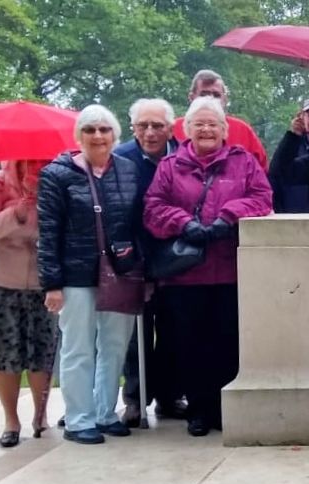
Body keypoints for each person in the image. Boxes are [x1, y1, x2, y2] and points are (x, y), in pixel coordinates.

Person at [145, 97, 272, 436]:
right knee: (190, 344)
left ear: (223, 130)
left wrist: (228, 217)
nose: (205, 129)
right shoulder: (171, 166)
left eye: (212, 124)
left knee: (228, 341)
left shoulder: (242, 162)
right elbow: (153, 207)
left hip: (230, 270)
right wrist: (183, 222)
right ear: (186, 130)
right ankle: (199, 410)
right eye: (198, 124)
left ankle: (224, 409)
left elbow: (262, 198)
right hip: (186, 275)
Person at [38, 105, 141, 444]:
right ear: (79, 135)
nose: (98, 136)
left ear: (115, 134)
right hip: (75, 274)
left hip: (120, 272)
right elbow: (49, 231)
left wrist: (143, 270)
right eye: (90, 129)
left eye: (104, 129)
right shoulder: (58, 173)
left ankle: (104, 412)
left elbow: (137, 223)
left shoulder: (127, 170)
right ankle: (80, 419)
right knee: (79, 348)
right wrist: (51, 283)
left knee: (114, 346)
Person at [0, 160, 57, 447]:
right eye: (28, 159)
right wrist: (16, 213)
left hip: (41, 281)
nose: (35, 164)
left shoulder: (57, 184)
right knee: (4, 352)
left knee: (42, 351)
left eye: (42, 159)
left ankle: (40, 415)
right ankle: (11, 420)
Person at [112, 98, 185, 427]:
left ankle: (170, 396)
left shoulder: (185, 156)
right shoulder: (121, 159)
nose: (151, 132)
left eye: (158, 125)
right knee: (134, 336)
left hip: (176, 258)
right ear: (133, 128)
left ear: (171, 127)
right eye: (143, 126)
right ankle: (135, 400)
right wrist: (132, 262)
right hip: (135, 258)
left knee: (173, 330)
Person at [172, 69, 268, 168]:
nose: (210, 99)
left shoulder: (243, 130)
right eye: (204, 95)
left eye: (216, 95)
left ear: (225, 100)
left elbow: (261, 171)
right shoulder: (173, 129)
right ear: (191, 98)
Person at [269, 97, 309, 213]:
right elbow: (277, 173)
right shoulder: (291, 146)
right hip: (295, 221)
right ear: (302, 118)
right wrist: (294, 135)